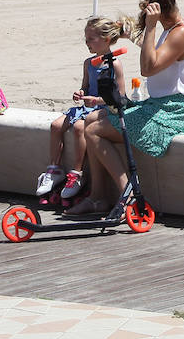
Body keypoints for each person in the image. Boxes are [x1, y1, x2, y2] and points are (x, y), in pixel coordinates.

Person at [69, 0, 184, 216]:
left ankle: (128, 193)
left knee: (93, 131)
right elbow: (150, 46)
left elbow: (148, 66)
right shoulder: (171, 30)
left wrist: (151, 25)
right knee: (92, 119)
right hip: (160, 105)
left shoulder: (182, 33)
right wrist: (130, 32)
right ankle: (97, 197)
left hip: (175, 113)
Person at [34, 15, 131, 200]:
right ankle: (54, 170)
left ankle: (76, 174)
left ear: (106, 40)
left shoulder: (114, 65)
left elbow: (121, 96)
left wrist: (96, 100)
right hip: (86, 106)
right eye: (86, 39)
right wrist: (79, 93)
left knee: (80, 127)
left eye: (91, 39)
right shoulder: (89, 63)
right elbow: (85, 86)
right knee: (55, 126)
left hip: (100, 108)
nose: (87, 43)